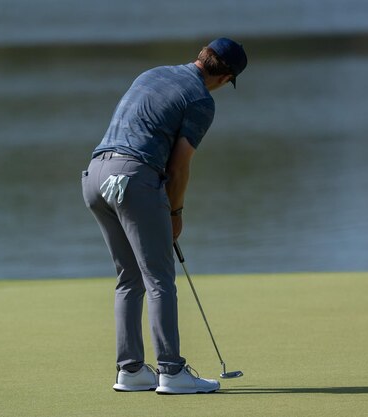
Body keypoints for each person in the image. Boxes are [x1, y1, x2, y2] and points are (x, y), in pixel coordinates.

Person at [81, 38, 248, 394]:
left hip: (94, 176)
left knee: (130, 278)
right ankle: (171, 371)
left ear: (202, 56)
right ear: (225, 77)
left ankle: (131, 371)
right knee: (159, 279)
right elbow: (179, 165)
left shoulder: (152, 73)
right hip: (134, 178)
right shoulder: (201, 99)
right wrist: (175, 212)